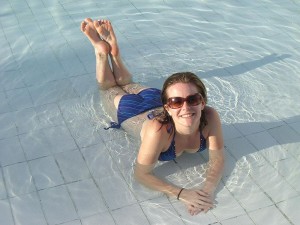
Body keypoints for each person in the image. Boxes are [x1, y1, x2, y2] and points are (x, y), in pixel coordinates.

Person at [80, 18, 224, 216]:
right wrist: (181, 193)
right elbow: (141, 174)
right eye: (177, 102)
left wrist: (206, 192)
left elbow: (217, 158)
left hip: (153, 99)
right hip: (130, 111)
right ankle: (102, 54)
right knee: (107, 88)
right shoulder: (159, 130)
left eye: (192, 99)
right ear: (168, 106)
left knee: (127, 83)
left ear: (203, 101)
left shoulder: (210, 116)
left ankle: (114, 53)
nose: (185, 107)